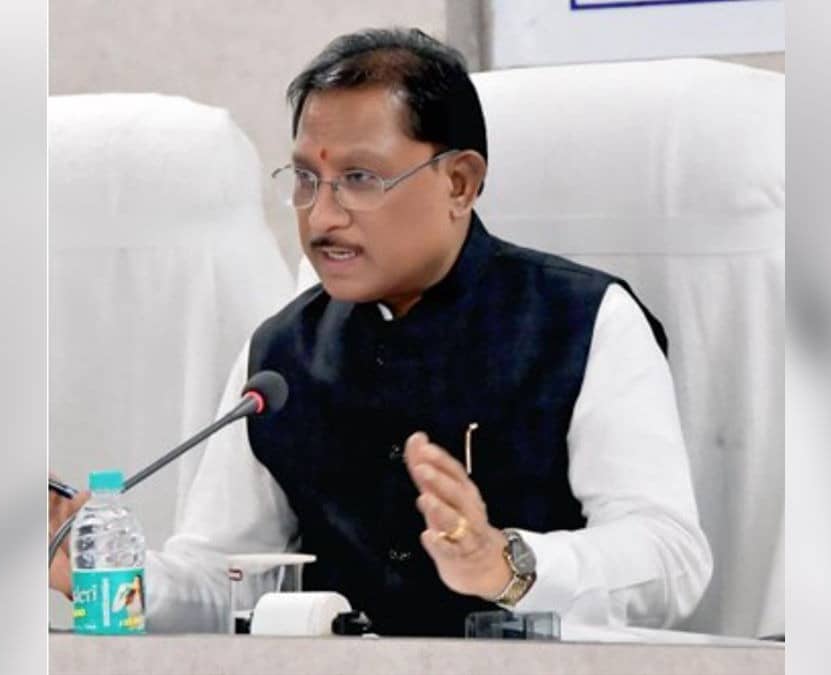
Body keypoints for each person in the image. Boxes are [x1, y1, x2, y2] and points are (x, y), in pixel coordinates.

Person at [50, 27, 712, 637]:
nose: (321, 217)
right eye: (306, 179)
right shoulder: (278, 359)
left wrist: (506, 564)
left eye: (359, 179)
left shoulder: (585, 320)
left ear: (460, 182)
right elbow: (222, 581)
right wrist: (98, 569)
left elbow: (671, 558)